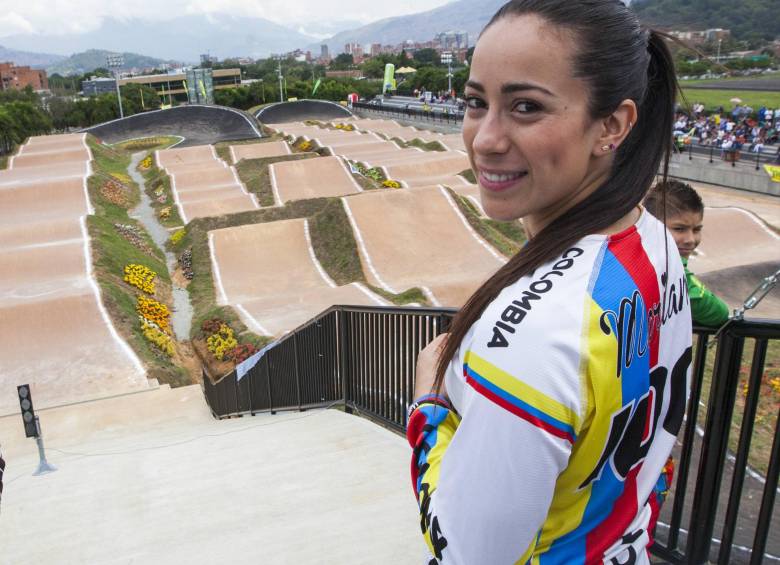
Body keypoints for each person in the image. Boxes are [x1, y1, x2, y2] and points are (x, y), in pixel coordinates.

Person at [406, 1, 692, 563]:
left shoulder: (530, 339)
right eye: (474, 102)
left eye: (526, 107)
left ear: (612, 125)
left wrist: (426, 406)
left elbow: (464, 551)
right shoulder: (654, 239)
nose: (485, 138)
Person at [644, 181, 730, 327]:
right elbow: (717, 313)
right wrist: (679, 265)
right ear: (650, 226)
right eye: (679, 229)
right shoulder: (668, 269)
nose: (690, 240)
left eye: (696, 230)